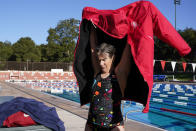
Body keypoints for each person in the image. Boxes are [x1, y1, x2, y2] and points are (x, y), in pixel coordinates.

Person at [85, 42, 125, 131]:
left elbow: (127, 55)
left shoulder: (118, 76)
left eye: (104, 60)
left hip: (114, 126)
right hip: (92, 124)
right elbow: (93, 49)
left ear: (113, 57)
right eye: (99, 60)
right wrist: (92, 29)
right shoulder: (96, 75)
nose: (101, 63)